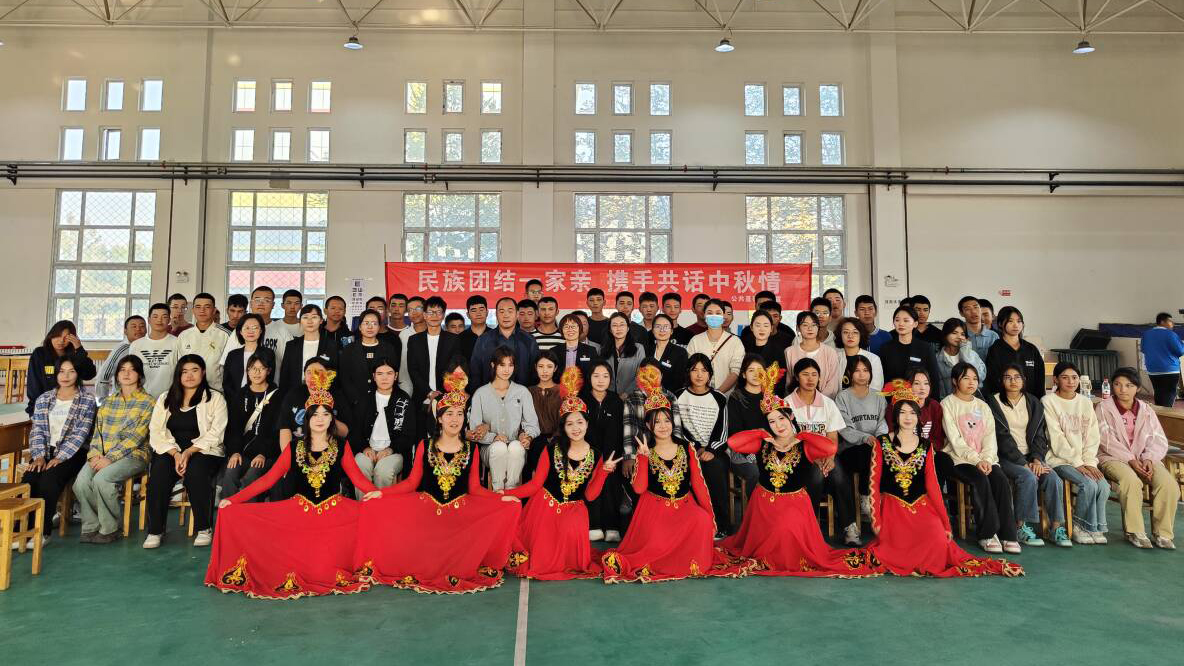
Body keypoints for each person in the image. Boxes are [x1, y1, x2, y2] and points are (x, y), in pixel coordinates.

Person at [207, 371, 376, 599]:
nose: (320, 419)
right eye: (315, 414)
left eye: (325, 414)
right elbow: (268, 479)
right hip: (299, 513)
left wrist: (380, 495)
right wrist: (233, 499)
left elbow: (359, 481)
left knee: (338, 555)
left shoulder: (342, 446)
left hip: (334, 516)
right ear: (307, 418)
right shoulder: (295, 448)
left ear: (331, 419)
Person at [353, 368, 523, 593]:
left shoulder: (471, 449)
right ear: (440, 418)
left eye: (459, 414)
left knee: (505, 512)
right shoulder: (425, 446)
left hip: (460, 515)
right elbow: (412, 483)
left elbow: (474, 488)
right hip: (427, 512)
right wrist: (382, 493)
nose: (455, 419)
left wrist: (501, 498)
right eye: (449, 414)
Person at [719, 368, 878, 577]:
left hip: (794, 503)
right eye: (772, 421)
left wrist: (803, 435)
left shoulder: (804, 445)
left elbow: (829, 448)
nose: (778, 425)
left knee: (785, 530)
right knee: (770, 538)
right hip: (763, 505)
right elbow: (733, 443)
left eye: (781, 419)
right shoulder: (762, 443)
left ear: (791, 416)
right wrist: (760, 431)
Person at [599, 379, 756, 583]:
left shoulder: (686, 447)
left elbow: (699, 485)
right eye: (657, 422)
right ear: (648, 425)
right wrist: (643, 458)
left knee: (701, 520)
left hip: (684, 505)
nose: (663, 426)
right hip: (654, 510)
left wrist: (711, 518)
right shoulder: (645, 450)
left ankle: (689, 560)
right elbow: (639, 488)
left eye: (667, 420)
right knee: (655, 543)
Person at [866, 397, 1023, 577]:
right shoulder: (882, 442)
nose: (908, 417)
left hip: (921, 506)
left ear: (918, 417)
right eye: (902, 412)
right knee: (895, 547)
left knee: (939, 539)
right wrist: (876, 520)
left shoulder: (926, 446)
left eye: (912, 413)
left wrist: (946, 524)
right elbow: (873, 483)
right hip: (892, 508)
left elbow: (933, 485)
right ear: (895, 416)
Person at [503, 367, 619, 580]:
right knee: (543, 556)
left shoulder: (596, 455)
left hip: (574, 510)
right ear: (563, 427)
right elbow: (535, 484)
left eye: (580, 422)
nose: (576, 428)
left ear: (587, 424)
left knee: (572, 545)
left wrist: (603, 472)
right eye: (570, 424)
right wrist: (505, 493)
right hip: (544, 508)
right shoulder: (552, 449)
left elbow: (590, 495)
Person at [143, 355, 228, 549]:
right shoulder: (166, 398)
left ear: (203, 372)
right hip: (170, 450)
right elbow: (155, 430)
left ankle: (204, 528)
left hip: (204, 450)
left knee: (196, 474)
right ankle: (155, 530)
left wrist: (189, 452)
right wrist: (175, 453)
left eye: (194, 370)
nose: (189, 376)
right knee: (158, 476)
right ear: (178, 375)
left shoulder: (215, 398)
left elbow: (216, 432)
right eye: (184, 371)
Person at [72, 355, 153, 544]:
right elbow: (97, 434)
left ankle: (110, 529)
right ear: (116, 375)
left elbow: (136, 438)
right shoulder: (108, 402)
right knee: (81, 482)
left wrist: (110, 458)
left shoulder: (149, 402)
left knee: (102, 479)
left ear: (139, 375)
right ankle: (91, 526)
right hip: (102, 455)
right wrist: (94, 455)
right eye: (122, 369)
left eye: (132, 369)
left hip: (134, 455)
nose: (126, 373)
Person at [941, 362, 1020, 554]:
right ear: (955, 381)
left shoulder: (983, 406)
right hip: (960, 459)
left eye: (975, 379)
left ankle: (1008, 534)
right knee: (980, 480)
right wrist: (976, 460)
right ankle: (987, 533)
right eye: (966, 378)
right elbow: (955, 440)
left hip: (986, 459)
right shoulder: (947, 404)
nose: (971, 382)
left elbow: (989, 437)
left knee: (1000, 480)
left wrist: (987, 459)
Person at [1097, 367, 1179, 549]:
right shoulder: (1104, 408)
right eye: (1117, 384)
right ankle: (1134, 532)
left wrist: (1149, 458)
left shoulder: (1146, 409)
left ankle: (1163, 533)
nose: (1122, 389)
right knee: (1131, 482)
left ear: (1138, 388)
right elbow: (1105, 439)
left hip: (1144, 459)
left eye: (1129, 385)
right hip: (1112, 457)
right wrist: (1130, 459)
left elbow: (1158, 438)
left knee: (1168, 485)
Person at [20, 357, 97, 548]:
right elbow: (37, 430)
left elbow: (81, 433)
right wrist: (39, 456)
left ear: (78, 374)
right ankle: (21, 531)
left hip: (73, 453)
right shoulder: (44, 398)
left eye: (71, 371)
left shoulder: (87, 400)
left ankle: (42, 532)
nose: (65, 376)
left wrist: (60, 457)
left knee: (49, 480)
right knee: (29, 479)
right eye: (62, 371)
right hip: (44, 451)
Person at [985, 364, 1062, 547]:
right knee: (1027, 476)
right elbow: (1001, 438)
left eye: (1017, 377)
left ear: (1024, 380)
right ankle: (1021, 527)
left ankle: (1056, 528)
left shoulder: (1033, 402)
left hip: (1031, 456)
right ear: (1001, 381)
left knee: (1053, 478)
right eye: (1008, 377)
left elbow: (1039, 436)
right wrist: (1024, 463)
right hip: (1004, 456)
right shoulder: (993, 402)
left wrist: (1036, 459)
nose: (1013, 381)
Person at [785, 358, 857, 545]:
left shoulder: (827, 403)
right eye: (805, 374)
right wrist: (810, 457)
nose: (810, 379)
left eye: (814, 375)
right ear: (796, 377)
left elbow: (832, 437)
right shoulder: (786, 404)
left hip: (825, 455)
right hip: (798, 458)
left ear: (819, 378)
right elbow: (787, 440)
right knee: (815, 475)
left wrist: (831, 457)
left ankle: (849, 527)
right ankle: (810, 526)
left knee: (840, 476)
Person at [1042, 362, 1109, 545]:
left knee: (1103, 486)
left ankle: (1095, 527)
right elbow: (1056, 438)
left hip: (1083, 461)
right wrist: (1077, 462)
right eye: (1065, 377)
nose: (1071, 382)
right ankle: (1080, 526)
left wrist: (1089, 462)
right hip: (1059, 459)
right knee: (1088, 484)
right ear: (1055, 380)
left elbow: (1092, 436)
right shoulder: (1048, 401)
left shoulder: (1085, 402)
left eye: (1074, 377)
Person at [469, 348, 541, 491]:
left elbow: (532, 424)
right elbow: (474, 429)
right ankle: (498, 491)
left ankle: (511, 490)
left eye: (510, 365)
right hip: (490, 448)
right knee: (499, 447)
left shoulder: (522, 392)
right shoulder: (481, 394)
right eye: (502, 365)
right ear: (493, 365)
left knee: (516, 447)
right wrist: (493, 437)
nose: (507, 370)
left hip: (516, 447)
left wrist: (527, 436)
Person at [675, 358, 732, 536]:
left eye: (704, 370)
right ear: (688, 372)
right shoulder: (678, 396)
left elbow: (723, 431)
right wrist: (696, 447)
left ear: (709, 374)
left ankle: (720, 525)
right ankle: (690, 526)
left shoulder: (719, 398)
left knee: (713, 467)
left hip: (716, 450)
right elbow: (677, 428)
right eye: (694, 370)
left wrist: (711, 450)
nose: (699, 375)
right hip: (688, 449)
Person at [218, 350, 282, 502]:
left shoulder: (278, 395)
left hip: (267, 453)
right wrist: (234, 452)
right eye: (253, 368)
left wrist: (264, 453)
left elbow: (278, 431)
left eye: (261, 368)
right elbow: (233, 429)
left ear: (269, 371)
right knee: (230, 473)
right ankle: (228, 513)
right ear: (247, 371)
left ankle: (249, 515)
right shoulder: (240, 395)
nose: (257, 372)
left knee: (252, 476)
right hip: (243, 452)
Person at [352, 357, 416, 494]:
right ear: (374, 376)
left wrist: (390, 449)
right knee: (360, 465)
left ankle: (382, 506)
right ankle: (364, 505)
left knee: (383, 471)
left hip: (394, 452)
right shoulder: (365, 399)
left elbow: (409, 435)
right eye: (380, 373)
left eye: (389, 373)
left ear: (396, 376)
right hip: (368, 449)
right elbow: (355, 431)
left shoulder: (404, 400)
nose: (384, 378)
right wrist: (364, 447)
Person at [835, 356, 888, 519]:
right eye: (857, 370)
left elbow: (882, 422)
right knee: (867, 452)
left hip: (875, 446)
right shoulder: (842, 397)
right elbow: (844, 428)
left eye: (865, 370)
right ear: (849, 373)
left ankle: (886, 501)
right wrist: (866, 438)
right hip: (850, 449)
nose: (862, 374)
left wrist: (879, 439)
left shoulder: (879, 396)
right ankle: (866, 496)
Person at [581, 360, 625, 542]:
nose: (600, 380)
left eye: (605, 376)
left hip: (612, 455)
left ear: (610, 379)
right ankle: (594, 525)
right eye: (596, 376)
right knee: (591, 484)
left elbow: (621, 431)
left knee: (611, 485)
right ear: (589, 378)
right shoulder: (582, 399)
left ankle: (612, 526)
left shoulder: (616, 401)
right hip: (587, 455)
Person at [278, 357, 352, 454]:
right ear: (304, 376)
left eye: (319, 372)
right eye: (309, 372)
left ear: (327, 375)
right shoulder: (293, 394)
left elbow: (344, 432)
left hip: (329, 452)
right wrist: (287, 456)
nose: (313, 376)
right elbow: (284, 428)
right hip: (298, 451)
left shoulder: (337, 396)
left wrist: (325, 409)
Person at [407, 296, 462, 423]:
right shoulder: (414, 340)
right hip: (421, 397)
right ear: (424, 315)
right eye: (430, 312)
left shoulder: (453, 339)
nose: (434, 316)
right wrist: (429, 392)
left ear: (443, 315)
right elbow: (413, 370)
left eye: (438, 312)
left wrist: (440, 394)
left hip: (446, 397)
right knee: (420, 432)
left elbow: (456, 369)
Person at [26, 320, 97, 416]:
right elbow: (33, 384)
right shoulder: (39, 354)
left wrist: (79, 349)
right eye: (57, 336)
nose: (61, 341)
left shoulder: (75, 355)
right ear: (51, 335)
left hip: (71, 405)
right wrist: (37, 409)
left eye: (66, 338)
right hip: (44, 405)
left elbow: (89, 375)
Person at [470, 297, 540, 389]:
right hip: (489, 394)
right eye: (501, 311)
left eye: (510, 311)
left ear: (517, 314)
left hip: (521, 394)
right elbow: (475, 373)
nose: (506, 315)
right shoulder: (483, 340)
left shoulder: (529, 340)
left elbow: (535, 373)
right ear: (496, 314)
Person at [339, 309, 401, 412]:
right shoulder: (349, 349)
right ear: (360, 327)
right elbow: (344, 378)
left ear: (379, 327)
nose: (370, 327)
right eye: (366, 323)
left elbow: (393, 374)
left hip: (383, 401)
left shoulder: (388, 348)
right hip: (354, 403)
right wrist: (356, 400)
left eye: (374, 323)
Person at [221, 286, 293, 368]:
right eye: (257, 300)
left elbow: (290, 364)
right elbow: (227, 363)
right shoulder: (240, 330)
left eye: (267, 300)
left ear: (273, 305)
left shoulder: (283, 332)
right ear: (251, 304)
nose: (261, 304)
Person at [278, 304, 340, 398]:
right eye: (305, 317)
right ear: (300, 321)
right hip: (296, 394)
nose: (310, 321)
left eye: (314, 317)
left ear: (321, 320)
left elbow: (335, 373)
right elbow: (285, 375)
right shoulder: (291, 345)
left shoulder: (331, 345)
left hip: (322, 396)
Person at [686, 299, 744, 394]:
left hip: (726, 397)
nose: (714, 316)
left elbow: (736, 371)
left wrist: (719, 393)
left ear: (723, 315)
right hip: (699, 396)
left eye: (718, 313)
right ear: (704, 315)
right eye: (710, 313)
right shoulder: (695, 341)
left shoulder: (735, 342)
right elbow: (691, 369)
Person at [984, 306, 1045, 398]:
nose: (1016, 325)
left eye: (1019, 321)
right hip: (1004, 401)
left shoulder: (1031, 349)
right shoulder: (995, 350)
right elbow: (992, 381)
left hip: (1030, 401)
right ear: (1000, 324)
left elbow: (1040, 379)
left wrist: (1038, 401)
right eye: (1010, 321)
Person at [176, 293, 230, 392]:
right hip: (189, 391)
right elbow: (180, 366)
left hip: (216, 391)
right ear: (193, 310)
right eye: (198, 307)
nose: (202, 310)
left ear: (214, 310)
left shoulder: (225, 335)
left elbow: (231, 367)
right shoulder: (184, 336)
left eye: (207, 307)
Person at [785, 311, 843, 398]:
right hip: (797, 401)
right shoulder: (789, 352)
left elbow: (833, 384)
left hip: (824, 401)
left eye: (814, 325)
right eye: (805, 325)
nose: (810, 328)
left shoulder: (830, 352)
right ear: (798, 328)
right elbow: (789, 382)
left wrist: (817, 401)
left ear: (818, 327)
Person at [878, 306, 941, 386]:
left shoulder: (926, 348)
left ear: (915, 324)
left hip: (918, 393)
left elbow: (934, 378)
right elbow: (883, 379)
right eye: (897, 320)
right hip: (893, 393)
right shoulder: (886, 348)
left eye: (906, 320)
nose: (901, 324)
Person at [129, 304, 178, 398]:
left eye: (164, 317)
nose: (159, 320)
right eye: (155, 316)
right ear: (149, 320)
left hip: (169, 398)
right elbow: (132, 373)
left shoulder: (177, 343)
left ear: (169, 320)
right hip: (141, 398)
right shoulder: (136, 345)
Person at [220, 314, 268, 407]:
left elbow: (269, 380)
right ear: (240, 331)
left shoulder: (268, 353)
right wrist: (236, 399)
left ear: (261, 330)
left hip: (260, 402)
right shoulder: (232, 355)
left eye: (255, 327)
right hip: (235, 402)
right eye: (247, 328)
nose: (251, 331)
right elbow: (226, 382)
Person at [95, 315, 146, 402]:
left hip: (144, 398)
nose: (138, 329)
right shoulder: (122, 349)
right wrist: (103, 401)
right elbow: (103, 376)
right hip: (122, 400)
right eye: (134, 326)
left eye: (142, 326)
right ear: (125, 331)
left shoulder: (148, 347)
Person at [933, 318, 987, 399]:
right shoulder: (937, 358)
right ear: (945, 334)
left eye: (962, 334)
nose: (959, 337)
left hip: (972, 399)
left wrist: (965, 351)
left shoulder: (971, 354)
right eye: (954, 333)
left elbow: (980, 376)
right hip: (948, 401)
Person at [1140, 312, 1183, 407]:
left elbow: (1143, 349)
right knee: (1169, 396)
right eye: (1170, 321)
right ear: (1162, 322)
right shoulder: (1170, 334)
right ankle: (1166, 415)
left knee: (1158, 394)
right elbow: (1180, 351)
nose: (1173, 324)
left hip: (1152, 370)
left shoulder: (1146, 334)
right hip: (1169, 370)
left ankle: (1158, 414)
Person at [744, 311, 789, 394]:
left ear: (771, 328)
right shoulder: (745, 349)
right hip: (747, 396)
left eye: (766, 325)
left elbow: (781, 382)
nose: (762, 329)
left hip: (770, 397)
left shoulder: (778, 352)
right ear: (751, 327)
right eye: (758, 325)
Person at [602, 312, 645, 397]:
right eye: (614, 325)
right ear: (610, 330)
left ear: (628, 328)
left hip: (631, 397)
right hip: (608, 397)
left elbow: (641, 375)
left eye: (622, 325)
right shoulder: (603, 349)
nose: (618, 328)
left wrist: (626, 394)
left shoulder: (638, 348)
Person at [836, 317, 884, 391]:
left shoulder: (873, 359)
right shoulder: (834, 357)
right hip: (838, 398)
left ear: (861, 335)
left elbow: (876, 388)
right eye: (845, 332)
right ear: (840, 335)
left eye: (855, 332)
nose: (850, 336)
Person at [648, 313, 689, 395]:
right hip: (646, 395)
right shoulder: (647, 350)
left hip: (670, 397)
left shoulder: (680, 352)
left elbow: (680, 381)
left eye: (666, 327)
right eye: (658, 326)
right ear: (652, 330)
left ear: (671, 331)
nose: (662, 330)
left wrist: (662, 395)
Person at [397, 296, 428, 395]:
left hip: (431, 387)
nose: (414, 313)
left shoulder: (434, 333)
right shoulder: (403, 335)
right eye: (410, 310)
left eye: (418, 308)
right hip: (407, 386)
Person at [556, 312, 599, 378]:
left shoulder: (591, 350)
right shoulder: (554, 351)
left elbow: (595, 374)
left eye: (573, 326)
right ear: (561, 330)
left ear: (580, 329)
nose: (570, 330)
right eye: (566, 327)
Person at [958, 296, 999, 362]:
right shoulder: (960, 336)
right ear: (961, 313)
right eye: (968, 309)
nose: (973, 311)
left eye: (976, 307)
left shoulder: (993, 336)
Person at [458, 295, 490, 361]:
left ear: (487, 312)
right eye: (474, 310)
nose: (478, 313)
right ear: (468, 315)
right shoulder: (460, 338)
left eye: (481, 309)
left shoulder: (496, 336)